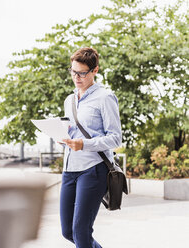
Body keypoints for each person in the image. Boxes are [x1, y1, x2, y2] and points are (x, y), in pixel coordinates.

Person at [60, 47, 122, 248]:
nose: (76, 77)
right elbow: (73, 133)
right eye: (73, 71)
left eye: (82, 73)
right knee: (68, 231)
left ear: (95, 71)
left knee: (81, 231)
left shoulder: (105, 97)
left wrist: (84, 144)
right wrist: (61, 135)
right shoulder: (69, 100)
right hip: (69, 169)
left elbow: (115, 138)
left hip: (94, 169)